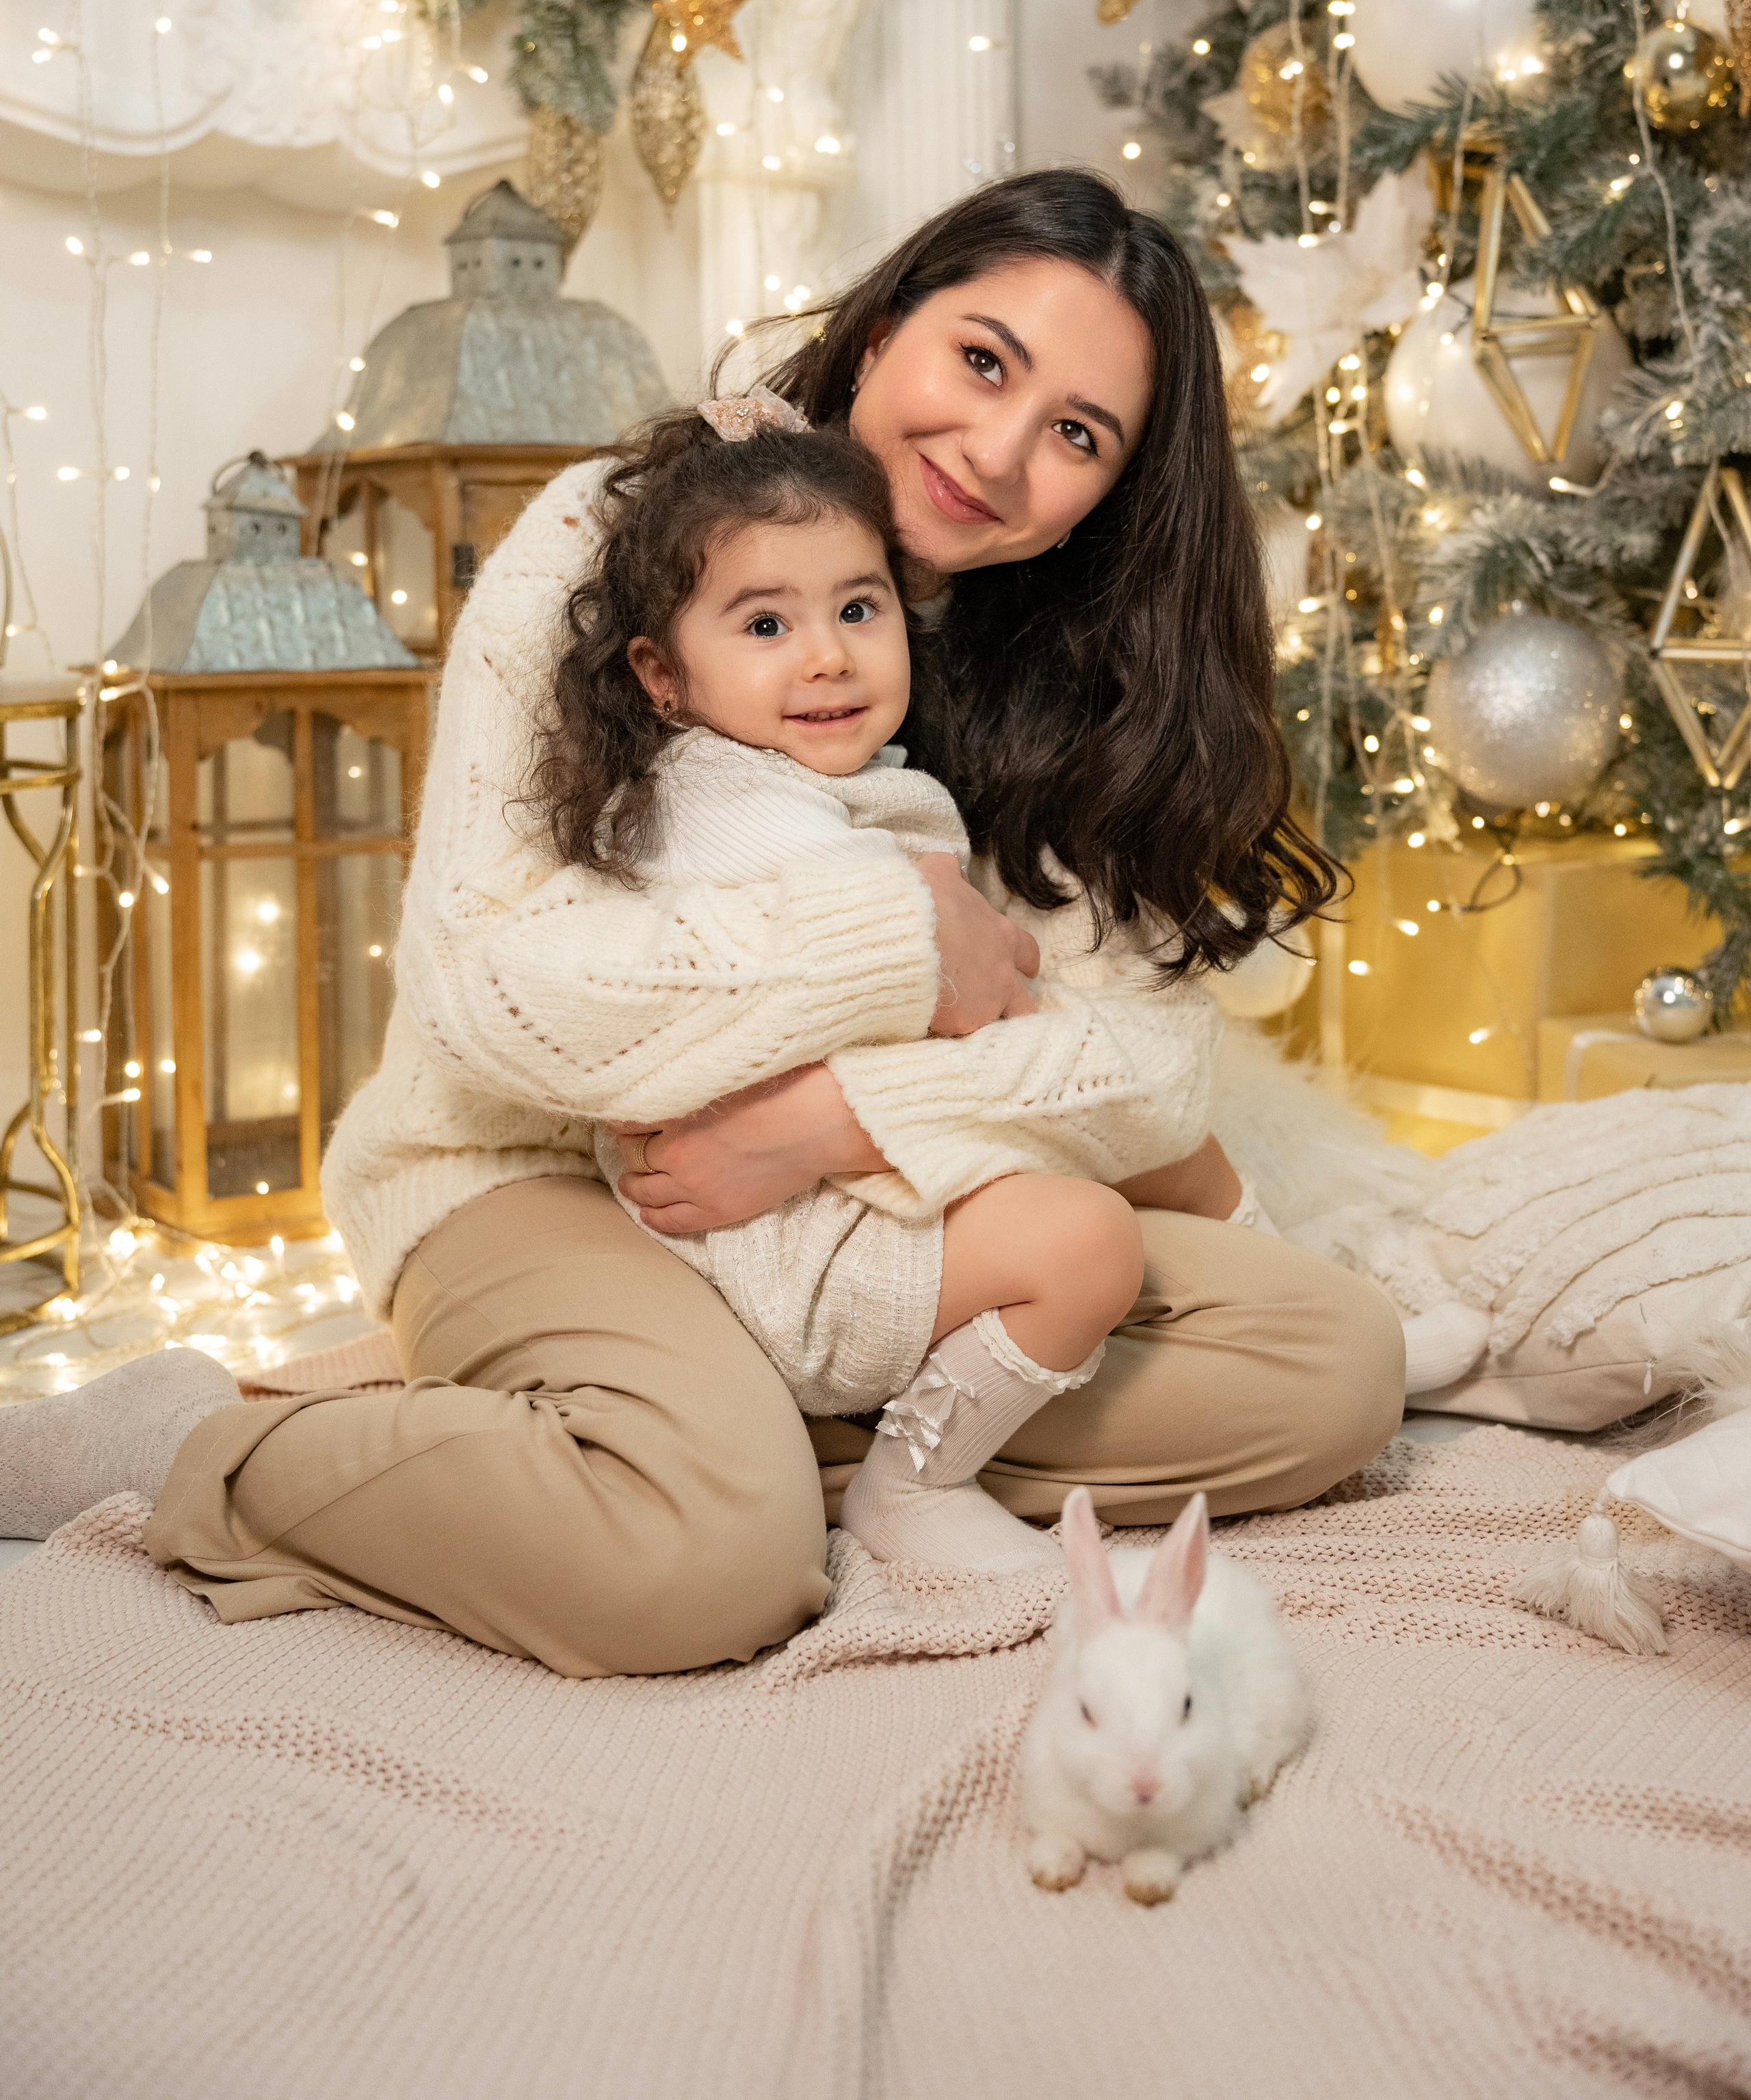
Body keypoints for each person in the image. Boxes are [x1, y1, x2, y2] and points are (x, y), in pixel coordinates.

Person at [0, 170, 1404, 1677]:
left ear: (1110, 492)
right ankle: (209, 1447)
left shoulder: (1085, 666)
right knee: (703, 1578)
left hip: (856, 1205)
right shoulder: (611, 537)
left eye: (1074, 435)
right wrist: (894, 941)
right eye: (980, 361)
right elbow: (489, 990)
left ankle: (684, 1452)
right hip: (537, 1174)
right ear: (881, 334)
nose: (996, 452)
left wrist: (824, 1124)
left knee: (1329, 1364)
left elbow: (1141, 1071)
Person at [547, 384, 1268, 1574]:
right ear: (662, 677)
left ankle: (1302, 1272)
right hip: (783, 1246)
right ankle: (915, 1485)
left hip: (855, 1178)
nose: (828, 654)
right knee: (1088, 1240)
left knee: (1160, 1143)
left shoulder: (855, 781)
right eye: (764, 626)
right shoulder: (723, 804)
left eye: (858, 607)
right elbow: (945, 993)